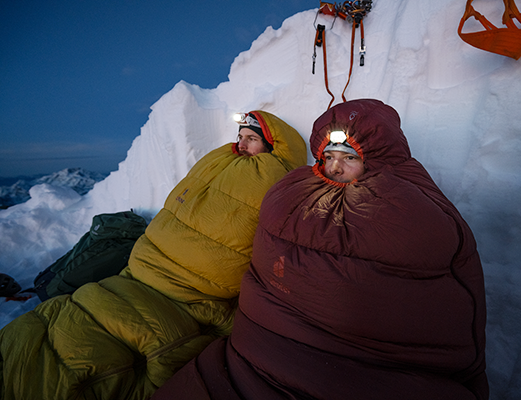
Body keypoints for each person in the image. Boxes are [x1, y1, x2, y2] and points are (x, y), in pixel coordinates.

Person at [151, 99, 489, 400]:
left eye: (349, 158)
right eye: (328, 156)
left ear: (377, 159)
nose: (334, 168)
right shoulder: (296, 192)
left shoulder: (413, 210)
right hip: (256, 349)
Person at [0, 110, 307, 400]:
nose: (240, 144)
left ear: (273, 145)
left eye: (251, 139)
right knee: (32, 335)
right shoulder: (219, 165)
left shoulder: (274, 182)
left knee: (72, 366)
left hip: (187, 294)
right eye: (239, 136)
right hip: (139, 274)